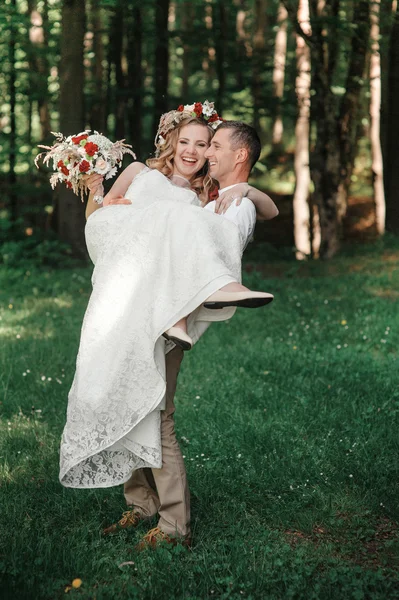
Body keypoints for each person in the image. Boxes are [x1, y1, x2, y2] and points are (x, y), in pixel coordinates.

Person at [59, 102, 278, 551]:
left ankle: (175, 522)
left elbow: (258, 211)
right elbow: (102, 225)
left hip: (165, 313)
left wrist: (249, 192)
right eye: (188, 141)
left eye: (205, 144)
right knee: (119, 394)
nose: (195, 151)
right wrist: (98, 191)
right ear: (170, 141)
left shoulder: (205, 197)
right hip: (121, 302)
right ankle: (140, 502)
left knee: (158, 412)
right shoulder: (139, 172)